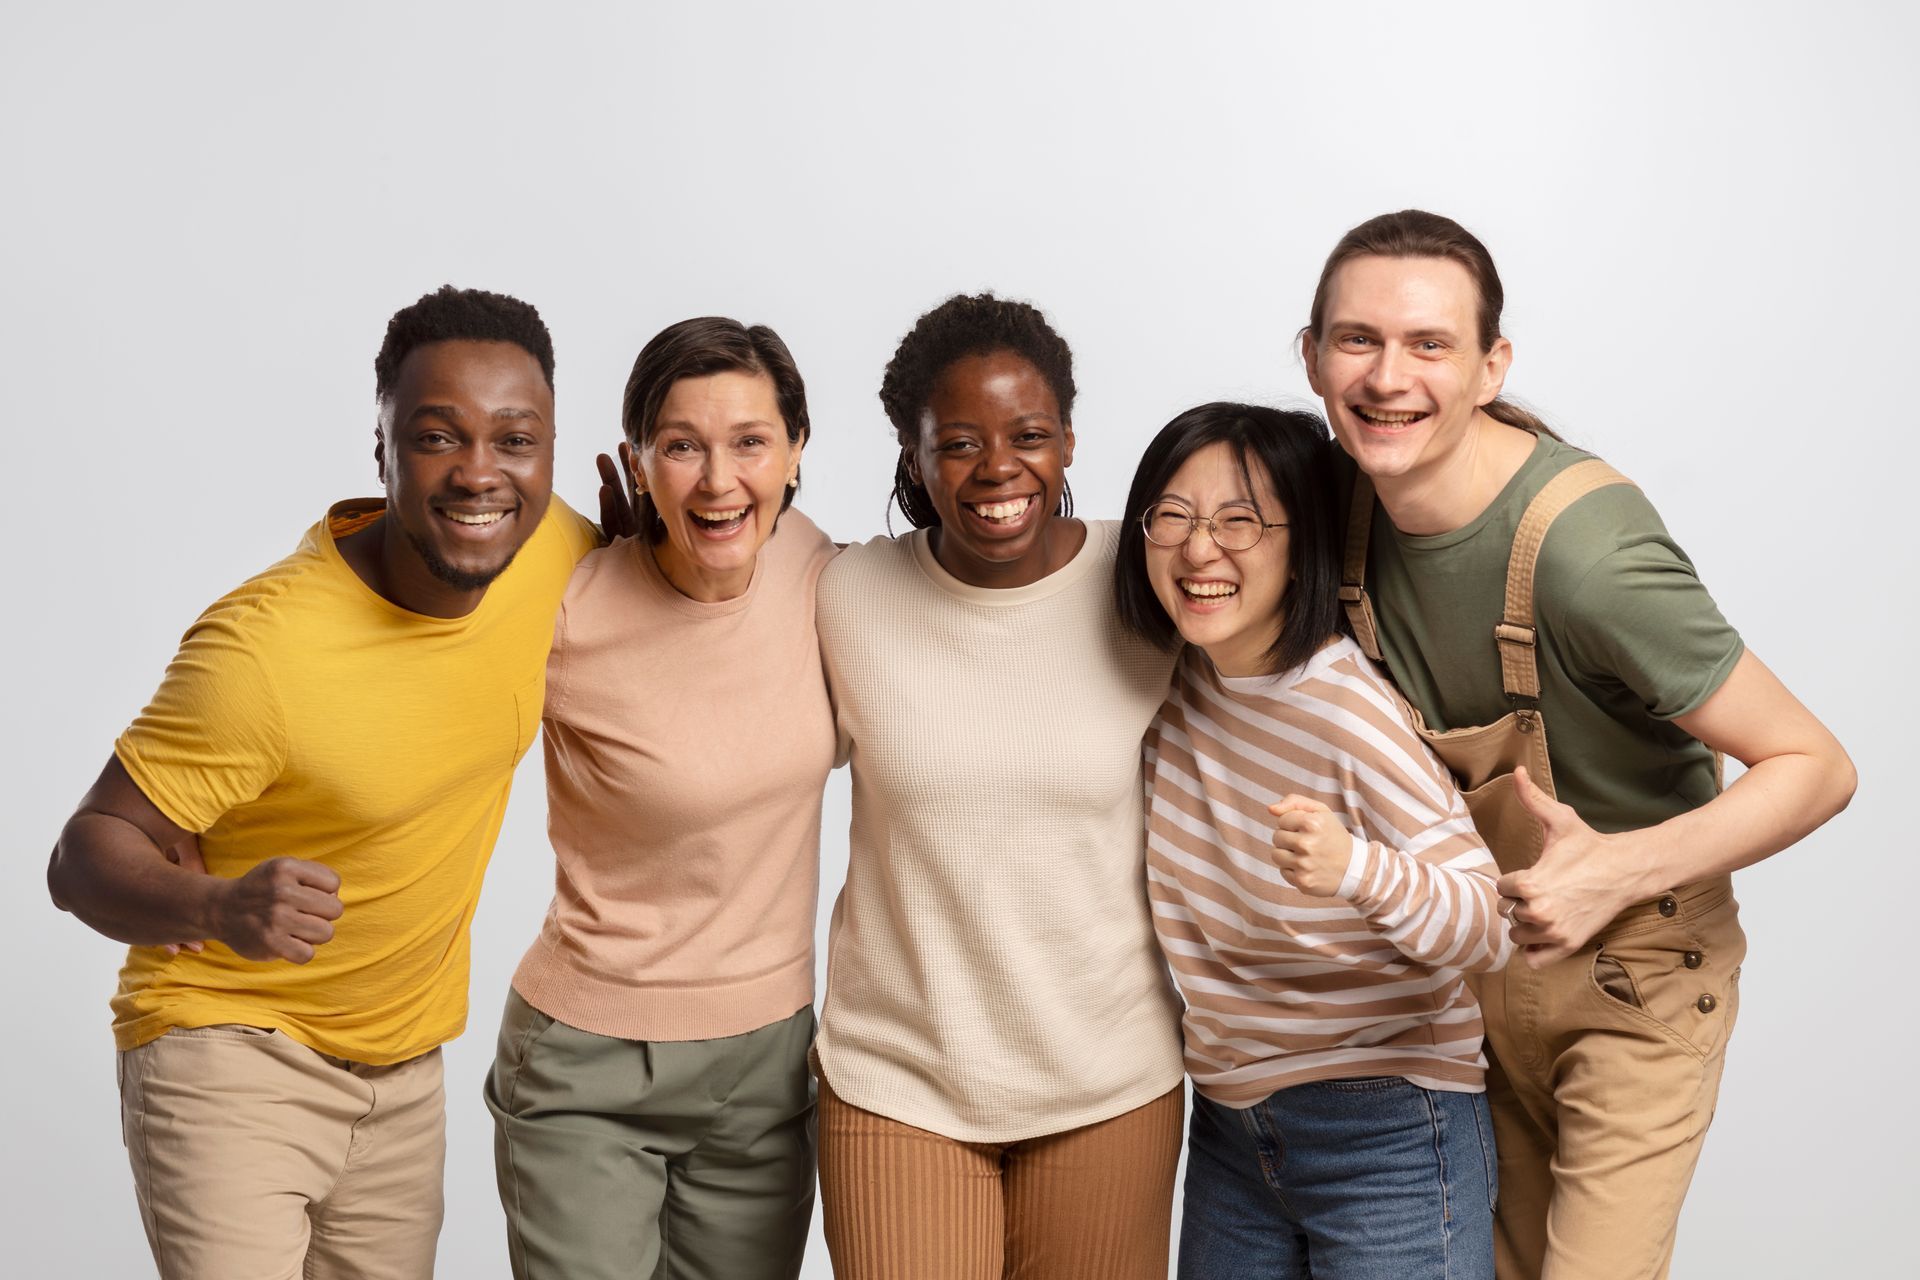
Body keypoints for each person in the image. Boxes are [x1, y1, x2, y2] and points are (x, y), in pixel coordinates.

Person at [1298, 209, 1856, 1280]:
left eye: (1429, 343)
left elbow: (1816, 764)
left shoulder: (1585, 553)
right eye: (1356, 339)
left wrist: (1616, 869)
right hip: (1469, 960)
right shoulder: (1335, 499)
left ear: (1489, 363)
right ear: (1313, 356)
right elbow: (1180, 541)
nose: (1386, 376)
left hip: (1634, 969)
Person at [45, 285, 598, 1280]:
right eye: (439, 436)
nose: (481, 471)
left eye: (515, 439)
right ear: (381, 449)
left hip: (403, 1065)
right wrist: (216, 902)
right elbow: (81, 855)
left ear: (550, 453)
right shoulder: (266, 651)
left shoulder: (556, 547)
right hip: (230, 1047)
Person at [811, 293, 1187, 1280]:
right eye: (959, 442)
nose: (997, 469)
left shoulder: (1147, 580)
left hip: (1109, 1079)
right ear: (912, 452)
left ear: (1068, 438)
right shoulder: (846, 595)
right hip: (899, 1081)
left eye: (1028, 435)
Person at [1112, 401, 1512, 1279]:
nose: (1200, 549)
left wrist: (1359, 868)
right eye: (1172, 516)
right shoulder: (1168, 684)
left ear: (1303, 547)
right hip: (1227, 1128)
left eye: (1241, 521)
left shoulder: (1345, 709)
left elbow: (1488, 923)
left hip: (1391, 1128)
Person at [484, 317, 834, 1280]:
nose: (719, 481)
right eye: (682, 447)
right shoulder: (567, 606)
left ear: (797, 451)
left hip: (768, 1065)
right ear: (637, 461)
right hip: (586, 1061)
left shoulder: (828, 576)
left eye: (750, 442)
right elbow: (432, 724)